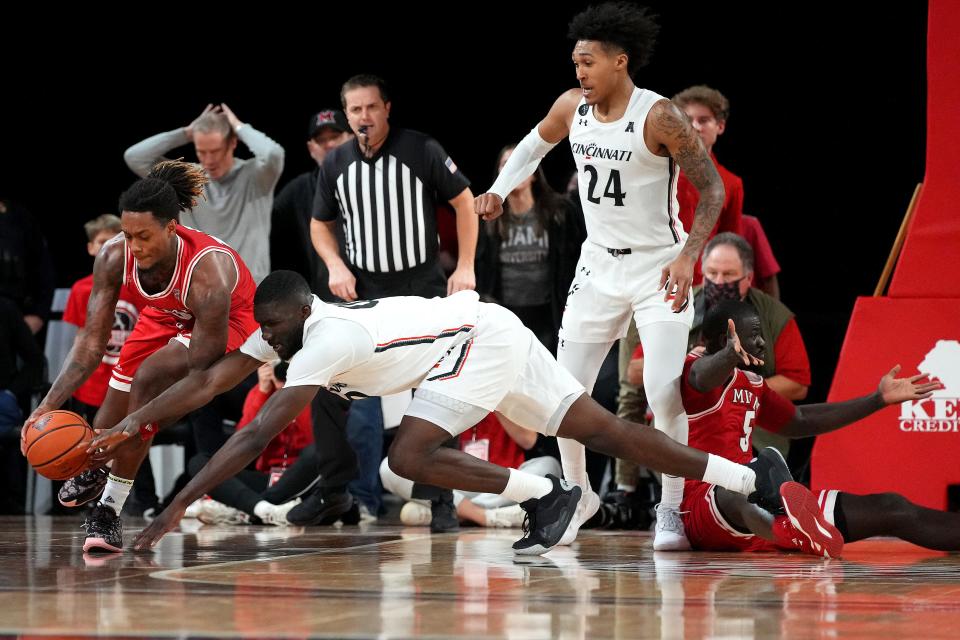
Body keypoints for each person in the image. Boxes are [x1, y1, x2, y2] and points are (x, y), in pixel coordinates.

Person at [92, 271, 793, 555]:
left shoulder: (323, 338)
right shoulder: (290, 324)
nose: (267, 344)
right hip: (485, 330)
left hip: (478, 340)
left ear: (297, 315)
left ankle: (545, 492)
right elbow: (216, 378)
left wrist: (173, 508)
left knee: (407, 455)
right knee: (606, 430)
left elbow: (250, 433)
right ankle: (745, 477)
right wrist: (132, 422)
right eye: (266, 336)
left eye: (273, 333)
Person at [474, 2, 725, 550]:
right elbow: (532, 147)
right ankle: (578, 493)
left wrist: (690, 255)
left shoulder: (659, 116)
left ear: (619, 61)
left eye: (587, 62)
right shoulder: (571, 107)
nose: (580, 73)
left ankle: (673, 510)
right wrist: (497, 188)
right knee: (564, 391)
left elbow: (712, 190)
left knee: (661, 392)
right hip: (599, 264)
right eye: (575, 63)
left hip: (660, 264)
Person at [20, 160, 259, 553]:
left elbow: (199, 379)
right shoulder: (115, 255)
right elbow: (90, 344)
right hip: (167, 315)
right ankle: (101, 472)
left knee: (147, 383)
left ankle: (109, 510)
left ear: (171, 227)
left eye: (144, 236)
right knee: (106, 421)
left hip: (228, 322)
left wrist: (137, 423)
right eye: (127, 235)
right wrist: (47, 407)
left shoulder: (209, 273)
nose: (135, 246)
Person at [309, 74, 479, 529]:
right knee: (332, 387)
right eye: (355, 110)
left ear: (386, 108)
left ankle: (440, 497)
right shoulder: (336, 163)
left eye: (371, 108)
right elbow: (319, 224)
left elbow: (465, 202)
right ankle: (337, 492)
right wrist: (335, 266)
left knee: (437, 391)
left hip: (422, 286)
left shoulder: (420, 148)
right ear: (346, 116)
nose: (364, 117)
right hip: (365, 294)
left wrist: (464, 266)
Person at [679, 300, 950, 556]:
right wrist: (728, 355)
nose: (762, 342)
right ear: (723, 341)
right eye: (753, 335)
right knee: (742, 483)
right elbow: (701, 377)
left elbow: (800, 421)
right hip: (703, 507)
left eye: (762, 333)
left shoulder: (752, 381)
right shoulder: (693, 367)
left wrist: (877, 400)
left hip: (760, 505)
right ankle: (790, 528)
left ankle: (794, 525)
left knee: (892, 508)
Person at [124, 104, 284, 284]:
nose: (209, 161)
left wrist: (239, 126)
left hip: (248, 286)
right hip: (199, 287)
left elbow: (273, 154)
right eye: (201, 152)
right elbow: (135, 157)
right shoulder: (186, 179)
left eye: (215, 151)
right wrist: (186, 133)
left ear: (232, 143)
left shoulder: (256, 176)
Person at [695, 232, 810, 456]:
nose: (718, 282)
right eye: (712, 273)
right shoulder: (680, 305)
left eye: (728, 275)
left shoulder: (774, 316)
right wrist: (685, 364)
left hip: (751, 419)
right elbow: (635, 370)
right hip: (691, 414)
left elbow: (797, 385)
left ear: (748, 278)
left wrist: (735, 388)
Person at [475, 145, 585, 352]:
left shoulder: (560, 213)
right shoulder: (486, 218)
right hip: (505, 316)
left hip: (549, 315)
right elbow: (480, 269)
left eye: (521, 163)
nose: (514, 169)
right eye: (506, 165)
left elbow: (577, 258)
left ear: (534, 172)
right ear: (499, 174)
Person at [380, 411, 560, 528]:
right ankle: (485, 516)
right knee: (389, 467)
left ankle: (457, 514)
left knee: (549, 466)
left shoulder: (506, 389)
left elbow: (528, 440)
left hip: (502, 486)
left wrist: (494, 398)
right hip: (454, 486)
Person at [63, 214, 140, 423]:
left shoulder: (141, 286)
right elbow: (80, 339)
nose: (111, 248)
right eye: (103, 242)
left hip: (131, 384)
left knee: (132, 450)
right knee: (88, 448)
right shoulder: (81, 289)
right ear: (91, 248)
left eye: (117, 241)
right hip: (91, 386)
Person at [271, 109, 353, 299]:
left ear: (351, 138)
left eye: (335, 136)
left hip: (376, 293)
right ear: (310, 148)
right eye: (321, 140)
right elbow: (265, 225)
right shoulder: (298, 190)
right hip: (327, 300)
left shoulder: (372, 179)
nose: (329, 144)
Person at [671, 85, 744, 286]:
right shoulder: (658, 171)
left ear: (720, 126)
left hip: (701, 286)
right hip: (652, 277)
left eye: (703, 120)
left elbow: (729, 245)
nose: (694, 126)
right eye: (687, 120)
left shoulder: (731, 183)